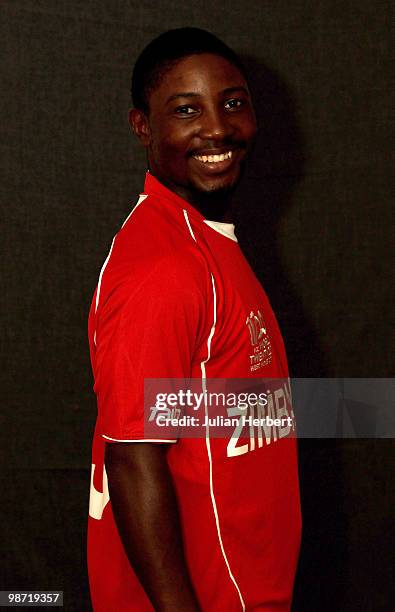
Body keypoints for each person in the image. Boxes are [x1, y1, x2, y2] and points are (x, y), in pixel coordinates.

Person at [87, 27, 301, 611]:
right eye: (186, 110)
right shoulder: (163, 266)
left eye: (233, 103)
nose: (217, 128)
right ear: (143, 127)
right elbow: (131, 455)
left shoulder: (205, 242)